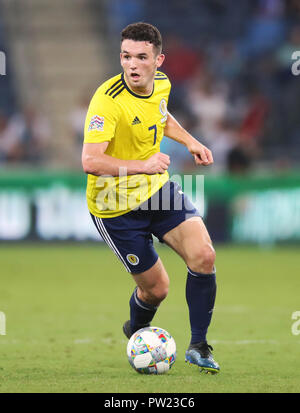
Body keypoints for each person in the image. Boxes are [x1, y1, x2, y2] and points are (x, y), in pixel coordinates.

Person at [82, 22, 220, 374]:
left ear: (158, 60)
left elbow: (160, 115)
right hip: (114, 205)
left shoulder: (162, 84)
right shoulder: (107, 102)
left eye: (141, 57)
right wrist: (143, 164)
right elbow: (91, 161)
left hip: (156, 190)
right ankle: (137, 330)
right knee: (157, 289)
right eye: (126, 56)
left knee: (203, 255)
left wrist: (190, 141)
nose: (132, 65)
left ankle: (199, 346)